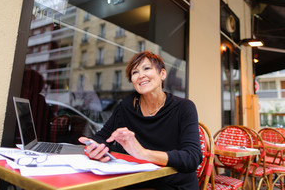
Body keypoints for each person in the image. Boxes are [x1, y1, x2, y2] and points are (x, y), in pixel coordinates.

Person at [79, 51, 202, 189]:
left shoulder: (184, 107)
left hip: (174, 185)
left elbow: (192, 157)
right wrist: (96, 148)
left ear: (162, 74)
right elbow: (103, 137)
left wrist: (142, 153)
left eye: (147, 68)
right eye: (135, 72)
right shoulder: (126, 106)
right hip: (135, 182)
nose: (141, 75)